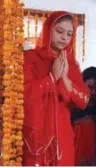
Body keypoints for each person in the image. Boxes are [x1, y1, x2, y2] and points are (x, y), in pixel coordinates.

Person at [22, 11, 90, 166]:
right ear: (48, 29)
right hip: (36, 136)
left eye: (69, 34)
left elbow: (83, 101)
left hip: (63, 132)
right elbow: (23, 94)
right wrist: (51, 78)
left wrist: (64, 78)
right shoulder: (31, 58)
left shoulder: (70, 64)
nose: (64, 37)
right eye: (59, 31)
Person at [71, 67, 96, 166]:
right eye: (90, 87)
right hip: (74, 154)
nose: (94, 92)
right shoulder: (73, 103)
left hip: (93, 155)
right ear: (81, 83)